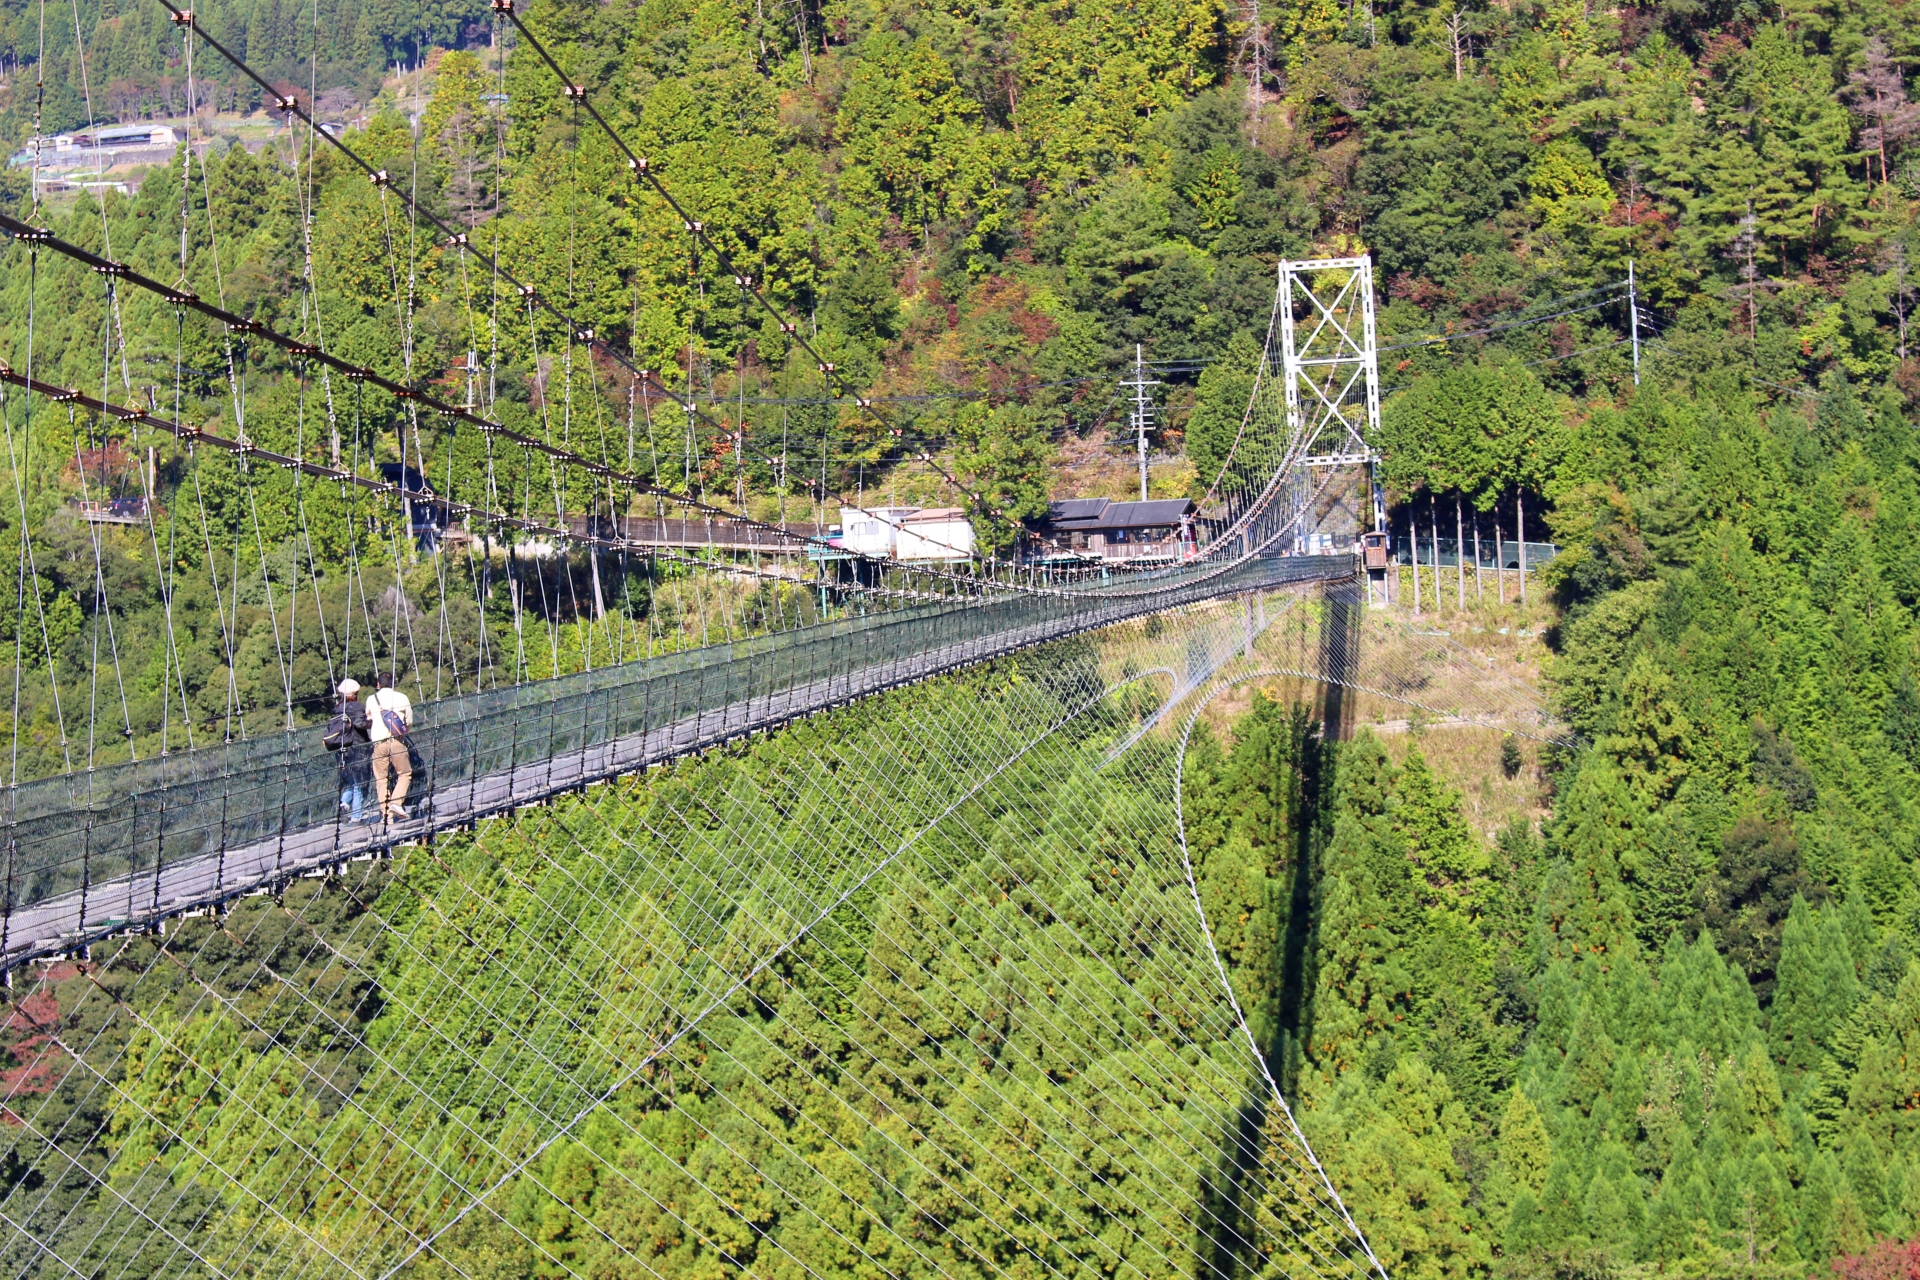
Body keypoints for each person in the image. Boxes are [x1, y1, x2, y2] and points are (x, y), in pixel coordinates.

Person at [367, 672, 415, 822]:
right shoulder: (402, 697)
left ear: (378, 685)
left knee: (381, 779)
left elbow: (368, 717)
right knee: (405, 773)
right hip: (396, 741)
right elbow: (409, 721)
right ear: (392, 684)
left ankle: (386, 815)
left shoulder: (371, 699)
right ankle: (395, 803)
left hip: (379, 743)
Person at [328, 679, 373, 824]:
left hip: (342, 749)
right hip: (358, 748)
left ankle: (344, 803)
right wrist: (374, 720)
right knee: (360, 783)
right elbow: (360, 724)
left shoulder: (337, 708)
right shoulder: (356, 706)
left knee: (351, 781)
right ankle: (356, 817)